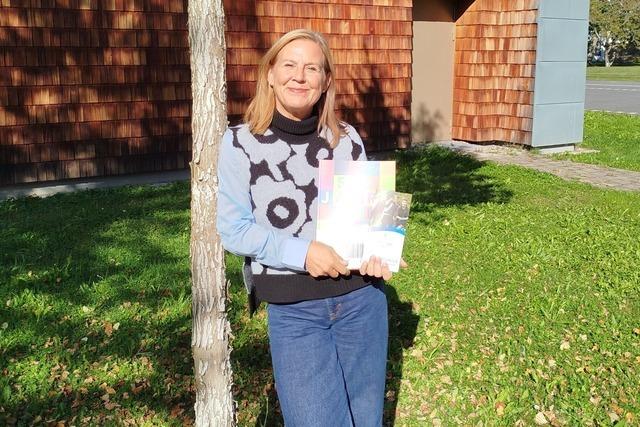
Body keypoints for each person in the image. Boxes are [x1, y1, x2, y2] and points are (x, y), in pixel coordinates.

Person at [217, 29, 404, 426]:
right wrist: (303, 254)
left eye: (312, 68)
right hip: (295, 311)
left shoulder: (346, 139)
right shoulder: (239, 143)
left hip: (361, 301)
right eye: (289, 65)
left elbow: (367, 221)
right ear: (270, 74)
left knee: (365, 421)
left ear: (325, 81)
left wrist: (379, 250)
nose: (299, 76)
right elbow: (234, 229)